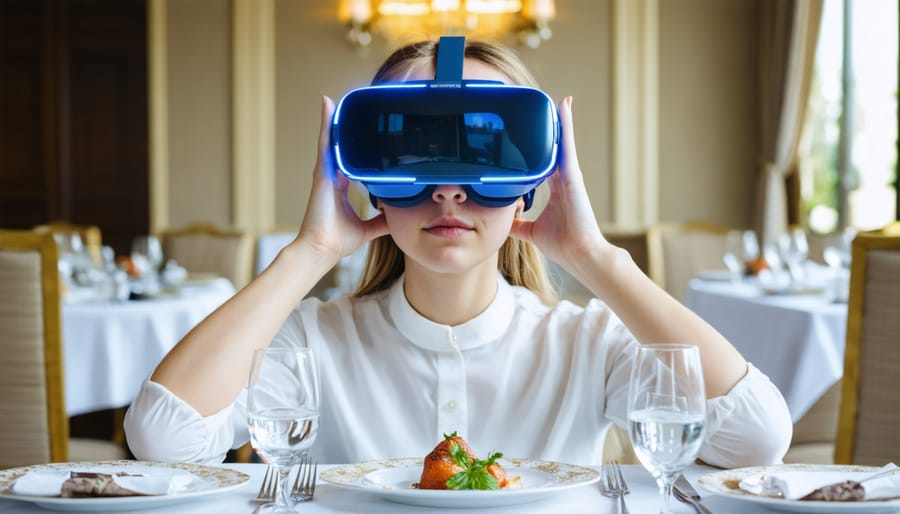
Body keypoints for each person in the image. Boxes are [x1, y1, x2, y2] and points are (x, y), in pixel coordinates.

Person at [124, 39, 792, 467]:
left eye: (481, 154)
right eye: (413, 153)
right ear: (368, 178)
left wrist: (595, 258)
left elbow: (756, 439)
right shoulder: (311, 344)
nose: (448, 189)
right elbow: (163, 439)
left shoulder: (589, 342)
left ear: (532, 179)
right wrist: (310, 252)